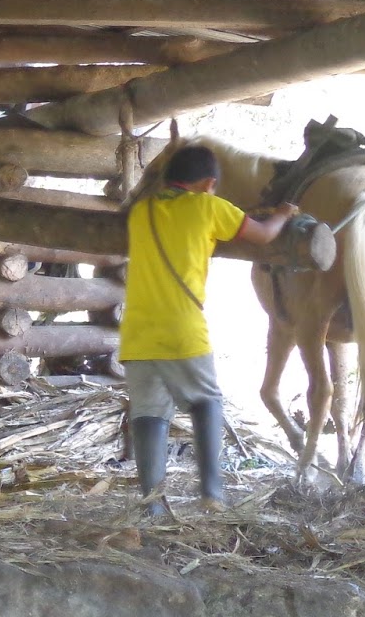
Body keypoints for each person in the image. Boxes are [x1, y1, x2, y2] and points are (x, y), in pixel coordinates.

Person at [122, 143, 299, 515]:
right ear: (208, 183)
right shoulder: (208, 206)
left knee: (149, 414)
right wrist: (283, 214)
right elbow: (264, 235)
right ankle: (212, 493)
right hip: (182, 329)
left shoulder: (142, 211)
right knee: (206, 402)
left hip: (136, 332)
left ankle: (152, 506)